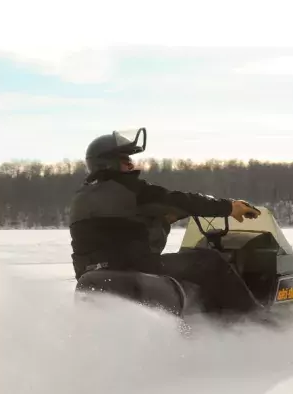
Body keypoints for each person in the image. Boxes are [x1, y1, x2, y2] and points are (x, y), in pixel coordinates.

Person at [68, 127, 262, 314]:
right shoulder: (130, 189)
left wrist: (163, 220)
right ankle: (254, 319)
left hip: (91, 273)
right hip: (133, 269)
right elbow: (180, 199)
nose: (131, 164)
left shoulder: (80, 198)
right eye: (125, 160)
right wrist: (229, 207)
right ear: (108, 163)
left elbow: (117, 231)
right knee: (208, 261)